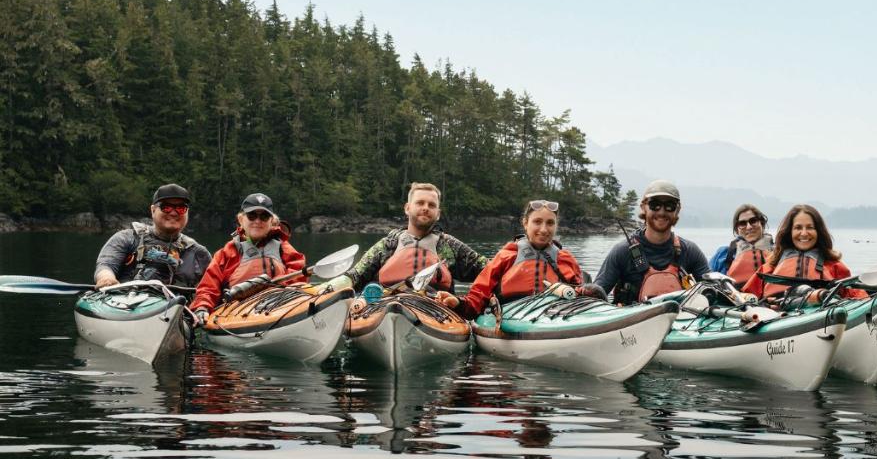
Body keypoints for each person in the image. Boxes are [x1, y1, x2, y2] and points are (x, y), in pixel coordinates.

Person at [342, 183, 489, 308]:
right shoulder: (388, 244)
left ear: (438, 213)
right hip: (385, 308)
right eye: (420, 203)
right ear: (407, 208)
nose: (425, 208)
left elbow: (489, 270)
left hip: (438, 311)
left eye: (432, 205)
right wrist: (327, 288)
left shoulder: (450, 245)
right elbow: (355, 276)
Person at [458, 200, 603, 318]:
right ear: (525, 223)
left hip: (554, 316)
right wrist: (459, 304)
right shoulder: (507, 255)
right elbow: (478, 294)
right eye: (537, 222)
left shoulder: (565, 259)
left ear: (556, 226)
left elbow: (579, 297)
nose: (544, 229)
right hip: (509, 316)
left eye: (550, 223)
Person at [190, 193, 306, 325]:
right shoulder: (226, 253)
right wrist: (202, 307)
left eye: (264, 216)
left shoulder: (283, 247)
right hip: (236, 314)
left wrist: (289, 292)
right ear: (241, 219)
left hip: (278, 306)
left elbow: (298, 273)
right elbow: (208, 287)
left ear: (272, 221)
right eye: (252, 216)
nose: (257, 221)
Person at [594, 180, 710, 304]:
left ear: (677, 209)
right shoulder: (622, 252)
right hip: (633, 322)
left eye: (669, 205)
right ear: (643, 207)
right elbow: (595, 295)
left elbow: (712, 291)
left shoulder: (690, 251)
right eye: (655, 204)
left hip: (683, 321)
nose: (661, 212)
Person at [742, 204, 868, 304]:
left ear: (818, 231)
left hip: (822, 315)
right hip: (777, 317)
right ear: (789, 232)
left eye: (810, 227)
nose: (804, 233)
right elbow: (745, 295)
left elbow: (859, 297)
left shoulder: (835, 266)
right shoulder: (769, 268)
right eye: (798, 228)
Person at [93, 183, 212, 289]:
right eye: (166, 207)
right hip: (126, 306)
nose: (174, 212)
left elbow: (213, 287)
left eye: (181, 208)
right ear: (153, 210)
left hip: (179, 310)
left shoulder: (199, 253)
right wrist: (106, 278)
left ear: (187, 212)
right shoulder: (126, 238)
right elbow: (106, 265)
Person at [710, 203, 774, 288]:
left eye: (753, 221)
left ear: (761, 223)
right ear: (737, 229)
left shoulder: (779, 252)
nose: (749, 227)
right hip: (734, 299)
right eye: (742, 223)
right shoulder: (723, 254)